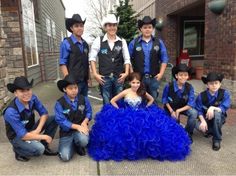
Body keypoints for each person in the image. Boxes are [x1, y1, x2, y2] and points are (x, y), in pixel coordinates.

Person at [88, 72, 191, 161]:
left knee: (151, 132)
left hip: (140, 114)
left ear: (140, 83)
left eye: (137, 82)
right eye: (133, 82)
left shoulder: (142, 92)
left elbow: (151, 99)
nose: (135, 85)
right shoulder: (126, 91)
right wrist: (119, 110)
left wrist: (146, 106)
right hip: (127, 115)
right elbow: (112, 100)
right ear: (129, 83)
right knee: (123, 134)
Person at [2, 76, 58, 162]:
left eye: (28, 89)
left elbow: (44, 113)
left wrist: (37, 130)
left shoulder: (33, 98)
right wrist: (44, 136)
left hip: (30, 129)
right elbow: (23, 135)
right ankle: (18, 150)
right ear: (15, 93)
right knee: (39, 149)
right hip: (17, 136)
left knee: (53, 119)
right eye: (22, 91)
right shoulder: (11, 112)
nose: (26, 93)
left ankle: (45, 146)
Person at [89, 14, 131, 104]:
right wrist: (95, 74)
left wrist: (126, 72)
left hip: (118, 77)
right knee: (107, 102)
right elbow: (92, 58)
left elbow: (127, 59)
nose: (112, 27)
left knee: (119, 102)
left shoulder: (122, 41)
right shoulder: (98, 40)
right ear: (105, 27)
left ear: (116, 26)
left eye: (114, 25)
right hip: (105, 78)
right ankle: (107, 118)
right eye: (109, 25)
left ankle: (118, 118)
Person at [129, 16, 169, 104]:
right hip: (139, 79)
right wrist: (132, 74)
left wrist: (161, 73)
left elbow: (164, 58)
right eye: (145, 27)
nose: (147, 29)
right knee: (139, 101)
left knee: (153, 101)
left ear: (153, 28)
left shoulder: (159, 42)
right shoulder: (134, 43)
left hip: (154, 78)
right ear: (141, 29)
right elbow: (128, 60)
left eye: (149, 27)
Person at [54, 74, 92, 161]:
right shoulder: (59, 103)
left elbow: (89, 112)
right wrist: (77, 126)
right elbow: (61, 120)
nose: (74, 91)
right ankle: (72, 145)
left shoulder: (83, 99)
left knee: (84, 141)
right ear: (64, 89)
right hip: (66, 133)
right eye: (70, 88)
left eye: (75, 88)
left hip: (80, 129)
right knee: (65, 157)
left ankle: (78, 144)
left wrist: (85, 122)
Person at [162, 63, 197, 142]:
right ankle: (178, 131)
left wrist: (178, 110)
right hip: (171, 107)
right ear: (176, 76)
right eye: (181, 75)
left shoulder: (189, 87)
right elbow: (164, 99)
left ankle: (188, 133)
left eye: (185, 75)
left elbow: (191, 103)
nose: (183, 77)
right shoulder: (168, 86)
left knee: (194, 113)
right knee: (173, 126)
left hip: (183, 107)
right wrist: (172, 111)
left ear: (188, 76)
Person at [195, 72, 231, 151]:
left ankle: (216, 139)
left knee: (217, 113)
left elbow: (224, 107)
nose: (214, 85)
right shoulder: (201, 96)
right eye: (211, 83)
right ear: (207, 85)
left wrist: (212, 108)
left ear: (220, 84)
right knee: (197, 126)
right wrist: (203, 121)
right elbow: (199, 110)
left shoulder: (224, 93)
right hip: (206, 118)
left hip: (219, 118)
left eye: (216, 83)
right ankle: (210, 131)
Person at [60, 14, 89, 96]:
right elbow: (63, 63)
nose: (79, 28)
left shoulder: (85, 44)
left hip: (84, 82)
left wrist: (88, 79)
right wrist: (68, 82)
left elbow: (86, 63)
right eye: (76, 26)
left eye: (81, 26)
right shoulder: (66, 43)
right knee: (72, 106)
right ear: (71, 28)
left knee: (83, 105)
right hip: (73, 83)